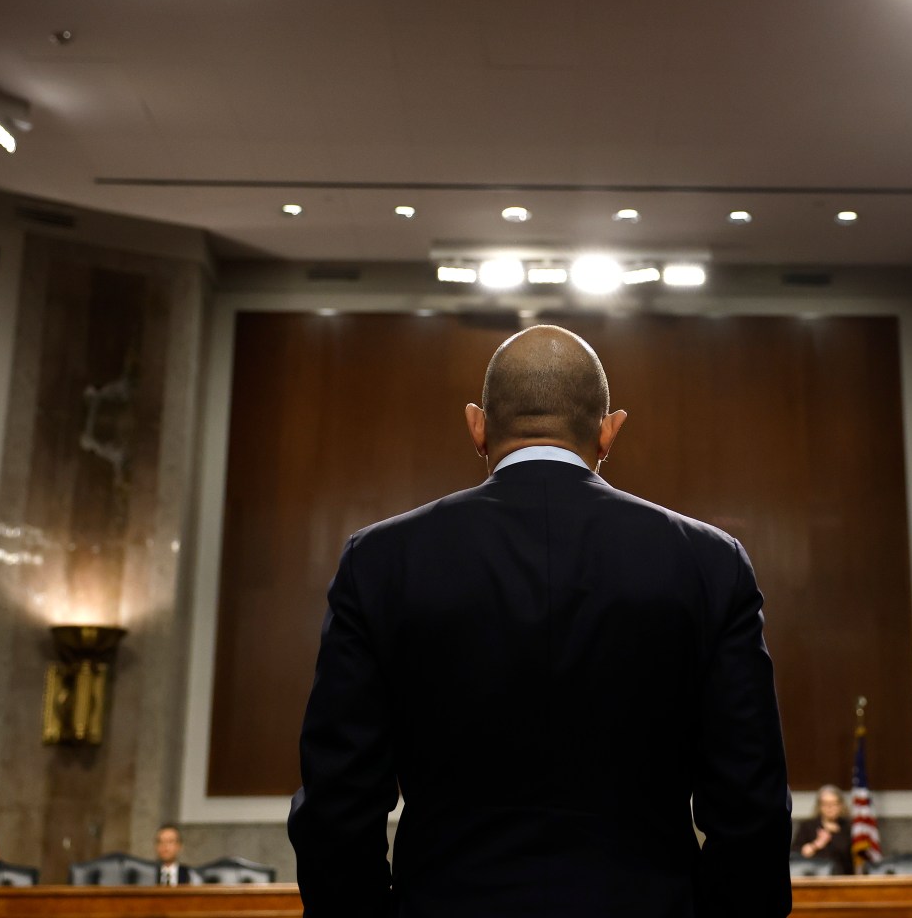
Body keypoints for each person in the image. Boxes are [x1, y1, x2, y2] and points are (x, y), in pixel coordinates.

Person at [287, 325, 792, 918]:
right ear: (609, 431)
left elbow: (339, 803)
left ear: (477, 426)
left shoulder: (380, 561)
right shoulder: (709, 562)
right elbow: (750, 806)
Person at [792, 785, 854, 876]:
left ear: (840, 805)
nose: (829, 808)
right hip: (815, 877)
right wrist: (817, 844)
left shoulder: (848, 827)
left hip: (843, 877)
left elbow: (853, 858)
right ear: (819, 806)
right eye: (825, 804)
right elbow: (796, 856)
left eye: (834, 804)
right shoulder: (808, 826)